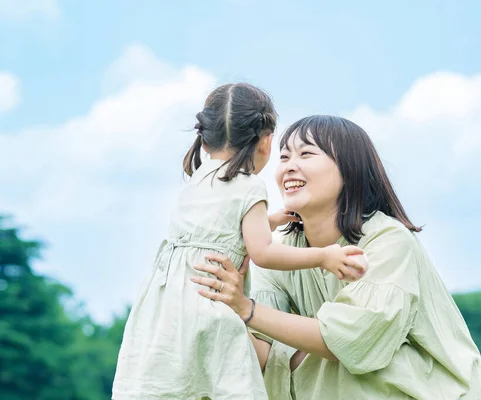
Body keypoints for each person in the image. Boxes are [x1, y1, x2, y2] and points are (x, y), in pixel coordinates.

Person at [192, 115, 481, 399]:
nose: (288, 167)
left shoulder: (387, 240)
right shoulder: (280, 252)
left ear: (348, 168)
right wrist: (226, 299)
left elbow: (354, 342)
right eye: (284, 157)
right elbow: (262, 355)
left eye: (306, 154)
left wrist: (247, 309)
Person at [112, 85, 367, 400]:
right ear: (265, 141)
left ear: (206, 139)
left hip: (166, 305)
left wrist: (268, 221)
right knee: (228, 385)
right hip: (209, 303)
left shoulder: (197, 180)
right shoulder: (248, 186)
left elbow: (216, 229)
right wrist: (323, 257)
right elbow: (263, 253)